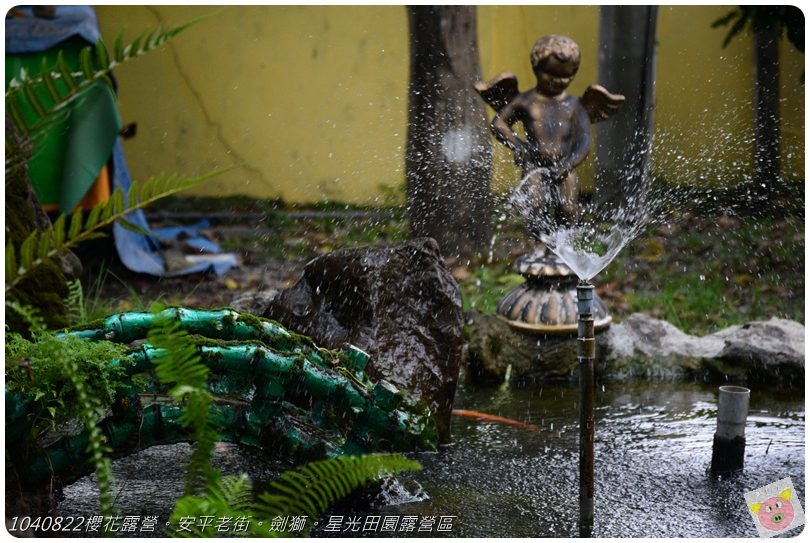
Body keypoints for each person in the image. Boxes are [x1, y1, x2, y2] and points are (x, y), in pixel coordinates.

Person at [489, 35, 592, 231]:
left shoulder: (574, 106)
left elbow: (584, 142)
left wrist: (568, 164)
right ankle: (540, 246)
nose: (557, 81)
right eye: (550, 75)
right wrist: (517, 145)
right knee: (535, 207)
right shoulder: (525, 101)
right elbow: (498, 123)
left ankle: (563, 249)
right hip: (534, 164)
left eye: (566, 76)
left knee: (568, 208)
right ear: (537, 68)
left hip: (566, 165)